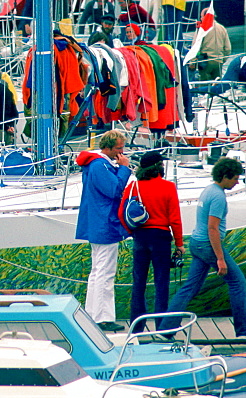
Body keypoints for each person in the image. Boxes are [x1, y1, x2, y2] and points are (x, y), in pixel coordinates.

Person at [159, 158, 246, 340]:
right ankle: (244, 330)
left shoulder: (208, 190)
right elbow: (212, 228)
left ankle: (166, 329)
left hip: (196, 243)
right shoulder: (218, 197)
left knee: (189, 288)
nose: (237, 182)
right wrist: (220, 258)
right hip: (208, 245)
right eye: (235, 178)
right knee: (238, 283)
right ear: (225, 176)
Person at [119, 151, 183, 332]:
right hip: (161, 238)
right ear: (159, 167)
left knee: (138, 282)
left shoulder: (133, 187)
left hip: (140, 236)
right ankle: (161, 327)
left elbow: (121, 214)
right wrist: (179, 244)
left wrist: (133, 231)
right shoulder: (168, 187)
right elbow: (175, 219)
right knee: (161, 283)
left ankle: (136, 328)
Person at [75, 129, 132, 331]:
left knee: (97, 271)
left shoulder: (95, 164)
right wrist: (124, 168)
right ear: (107, 147)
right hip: (105, 223)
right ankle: (102, 317)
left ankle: (93, 313)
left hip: (98, 222)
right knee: (105, 273)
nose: (121, 152)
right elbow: (114, 190)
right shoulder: (100, 166)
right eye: (118, 148)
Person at [194, 16, 231, 81]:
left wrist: (192, 62)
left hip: (205, 62)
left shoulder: (202, 29)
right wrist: (223, 60)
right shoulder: (222, 28)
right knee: (217, 85)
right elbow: (228, 48)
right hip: (218, 61)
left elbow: (195, 47)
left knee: (203, 85)